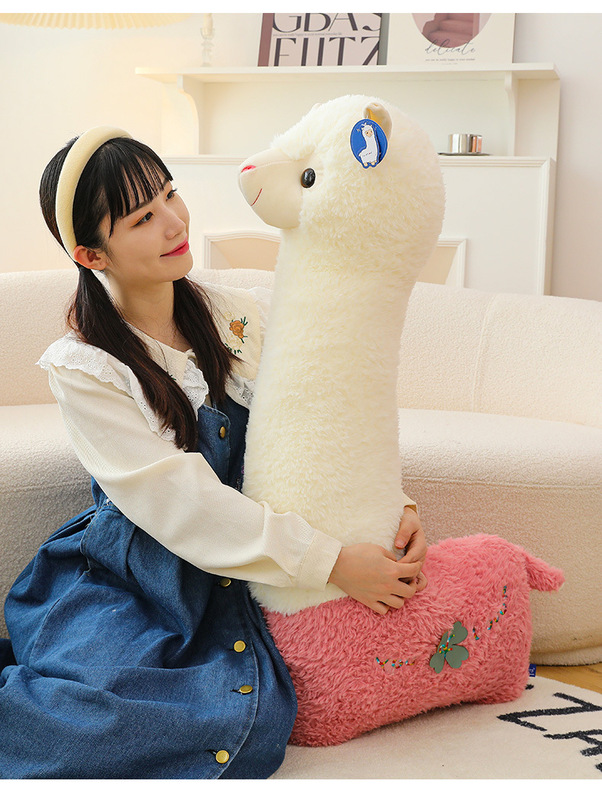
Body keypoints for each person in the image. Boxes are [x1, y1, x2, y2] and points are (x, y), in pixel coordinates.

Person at [0, 127, 427, 779]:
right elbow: (179, 504)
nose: (174, 222)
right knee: (104, 722)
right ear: (91, 254)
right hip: (139, 574)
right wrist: (333, 561)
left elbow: (321, 420)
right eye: (142, 218)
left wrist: (392, 510)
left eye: (169, 194)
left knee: (249, 719)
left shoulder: (238, 316)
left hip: (251, 563)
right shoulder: (86, 367)